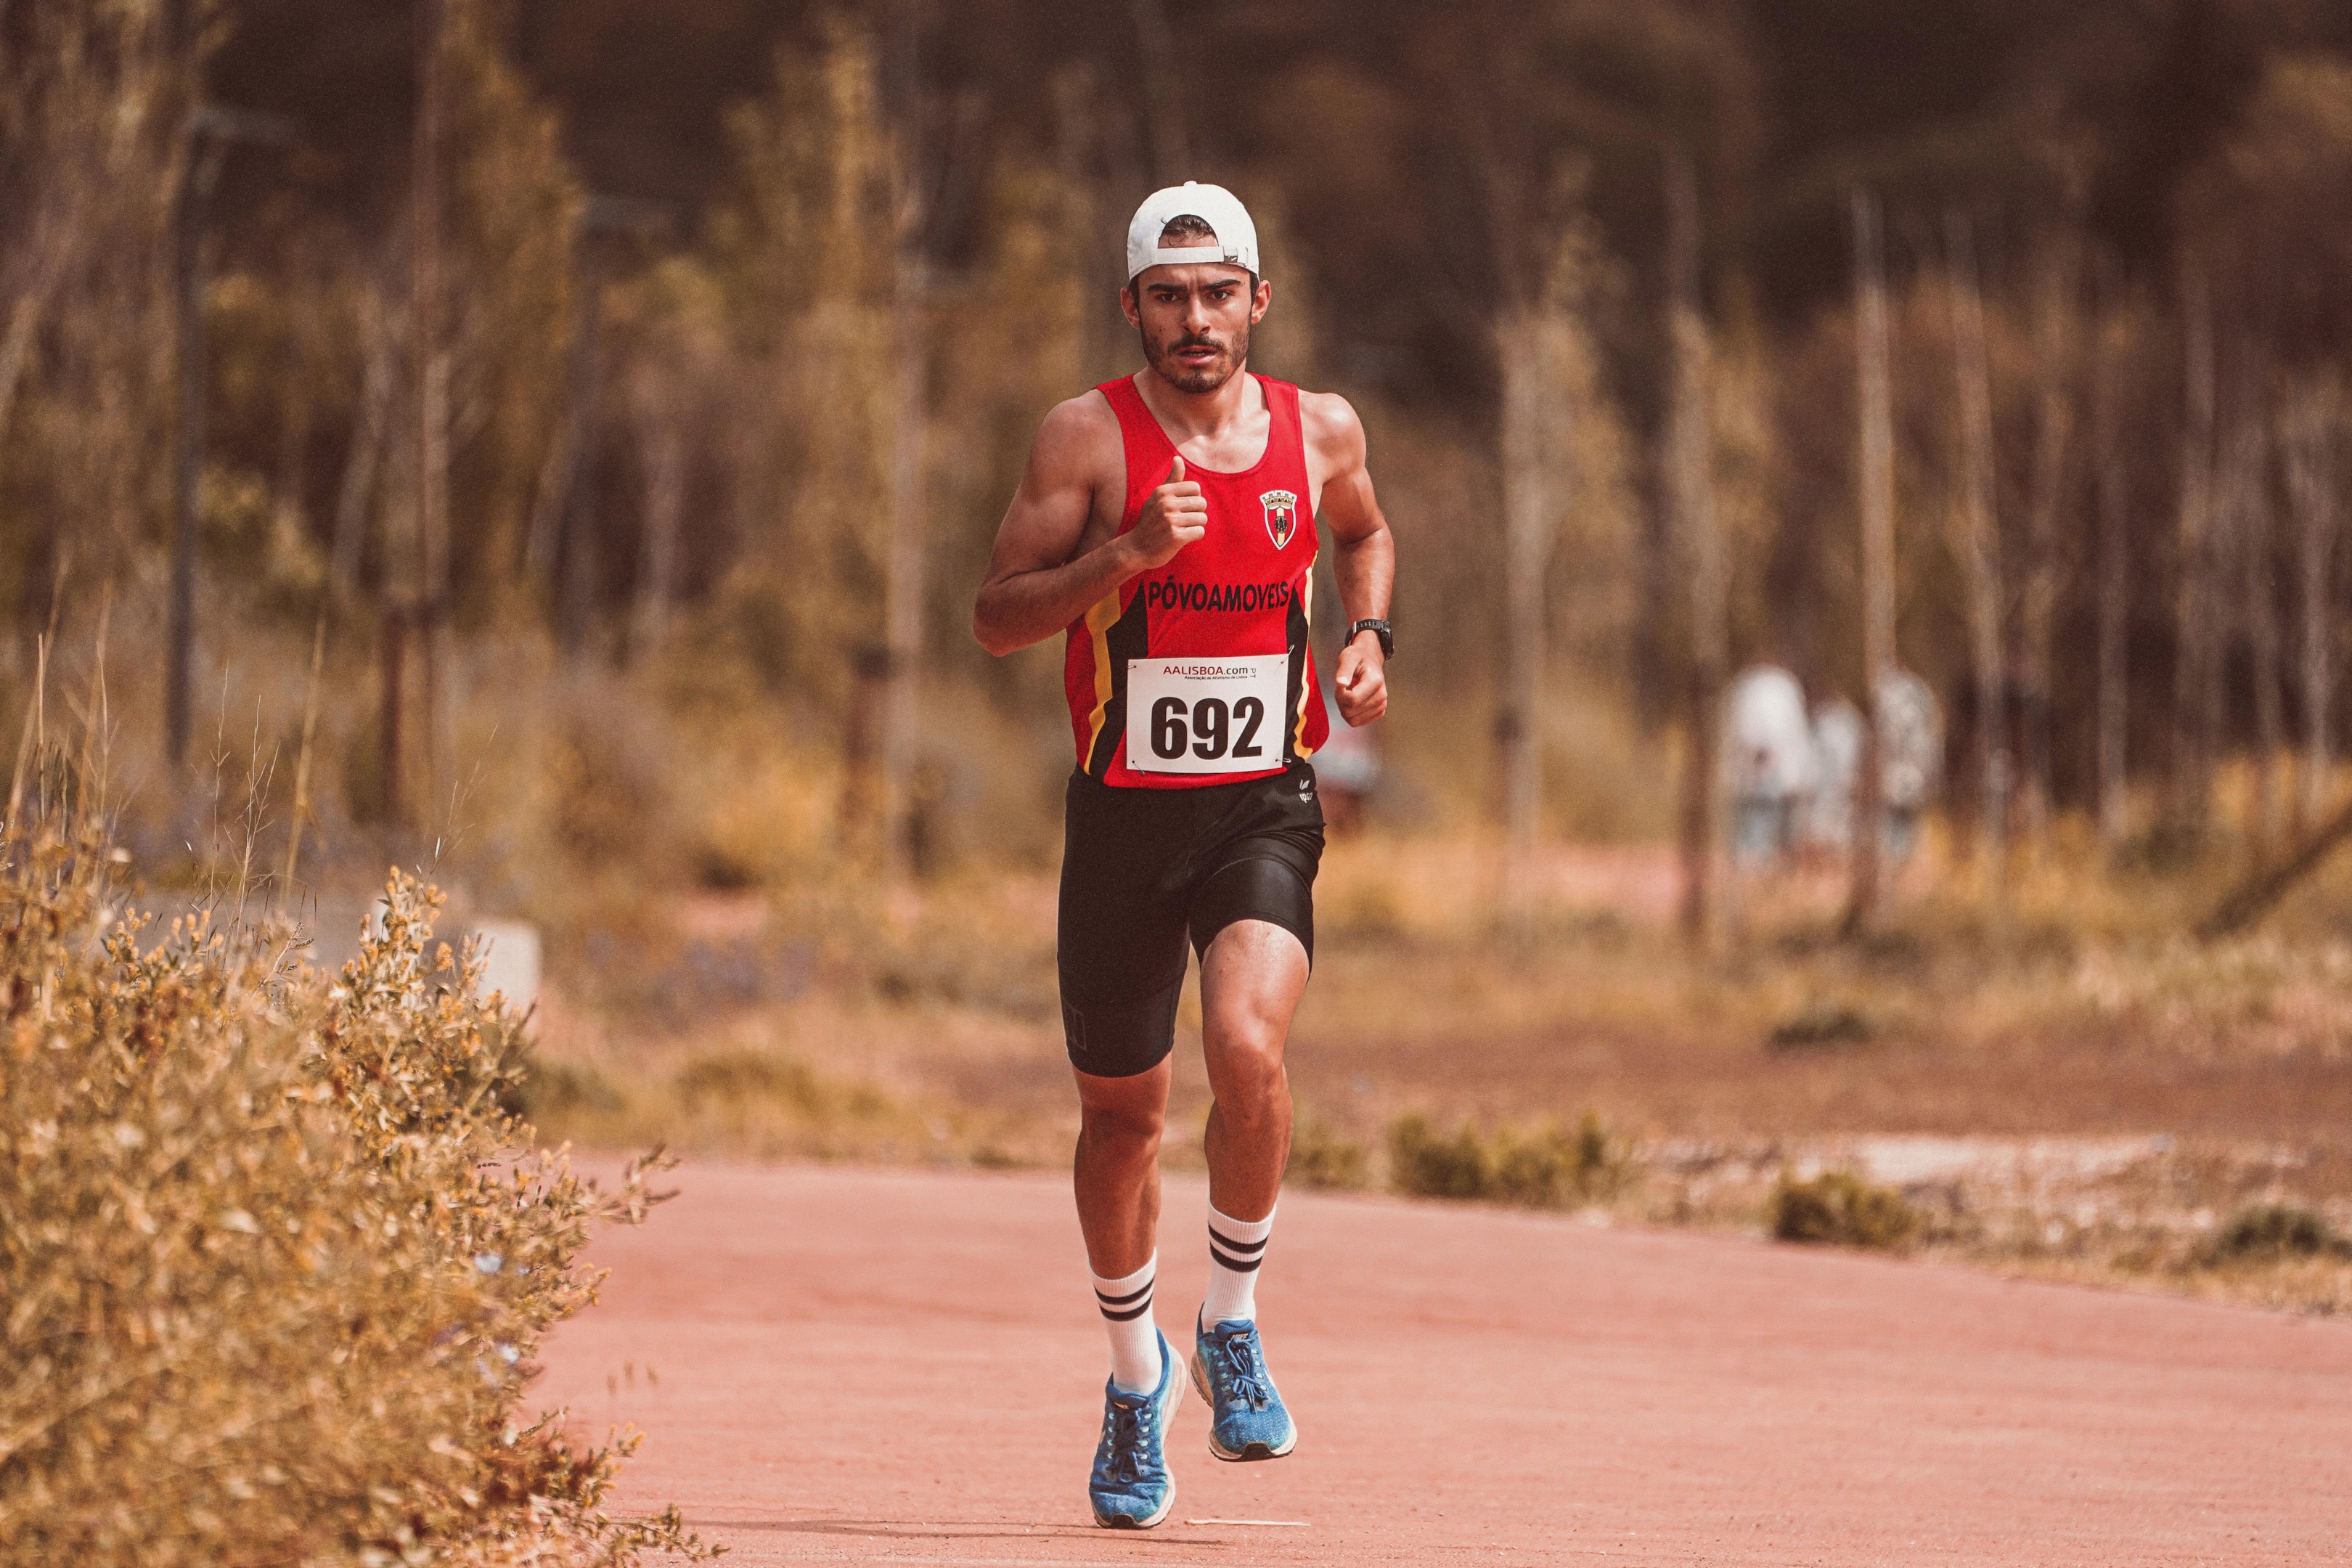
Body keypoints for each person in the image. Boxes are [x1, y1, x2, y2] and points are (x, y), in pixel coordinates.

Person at [972, 181, 1395, 1530]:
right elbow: (993, 616)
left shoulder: (1320, 428)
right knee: (1121, 1122)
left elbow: (1367, 533)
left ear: (1258, 302)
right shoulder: (1086, 439)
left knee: (1251, 1052)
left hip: (1261, 802)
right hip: (1123, 819)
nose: (1195, 319)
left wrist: (1373, 637)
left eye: (1219, 294)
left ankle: (1232, 1316)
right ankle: (1133, 1379)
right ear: (1133, 307)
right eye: (1169, 295)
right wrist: (1123, 559)